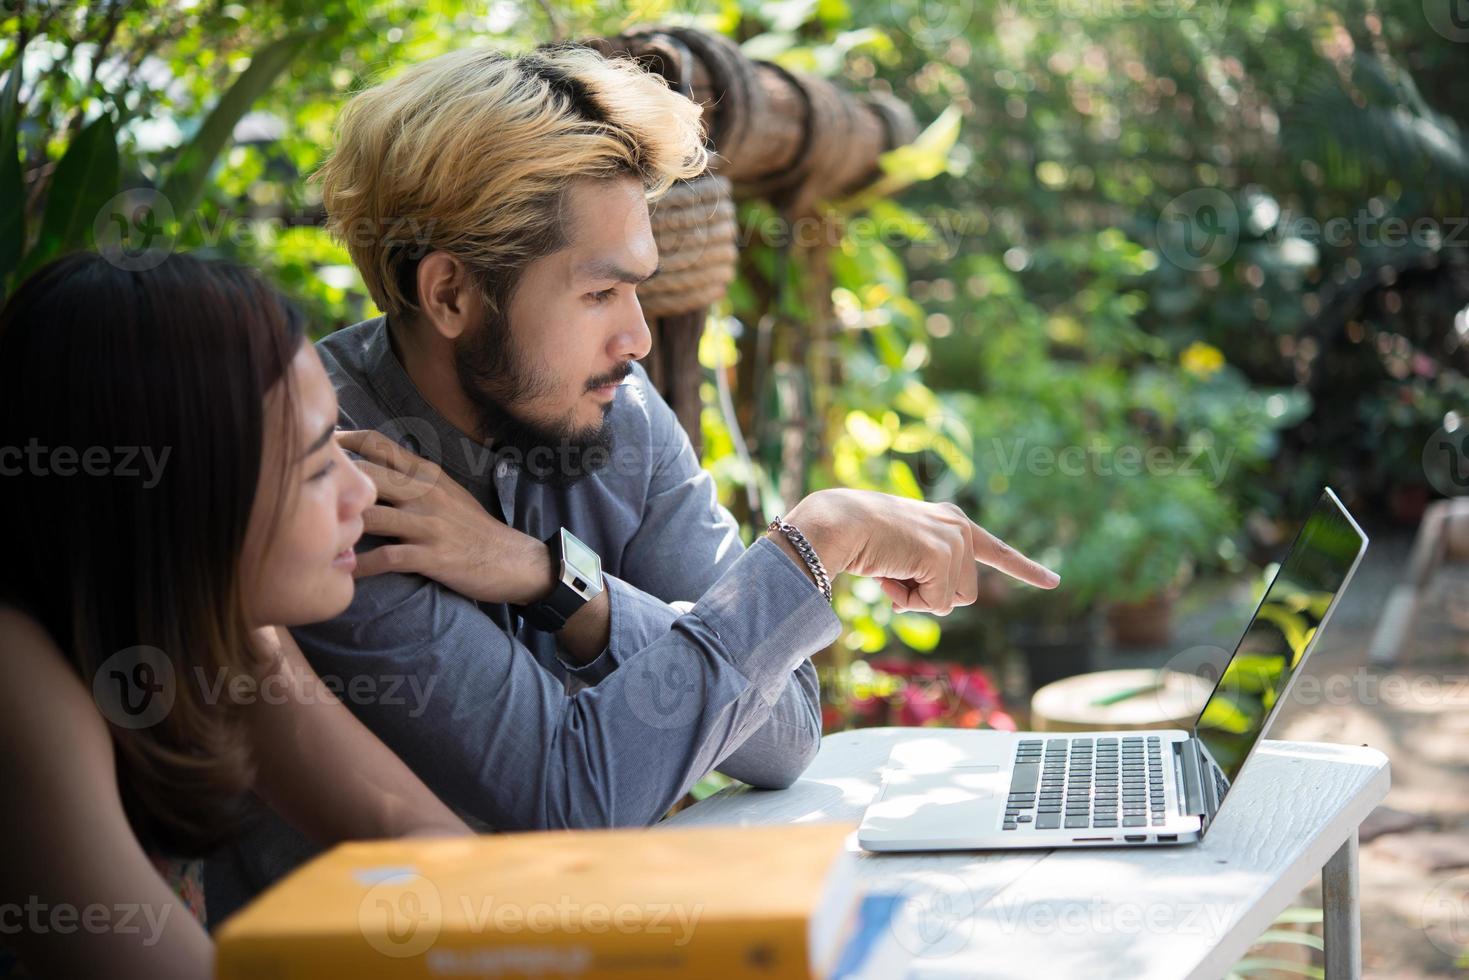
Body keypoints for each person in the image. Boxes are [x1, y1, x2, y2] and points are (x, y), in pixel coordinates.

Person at [215, 42, 1060, 911]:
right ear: (452, 297)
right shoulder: (337, 478)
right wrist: (821, 542)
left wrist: (552, 578)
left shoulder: (616, 411)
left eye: (638, 291)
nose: (638, 339)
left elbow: (785, 734)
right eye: (596, 295)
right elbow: (574, 795)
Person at [0, 253, 470, 980]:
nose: (360, 494)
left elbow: (407, 831)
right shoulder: (17, 674)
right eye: (316, 468)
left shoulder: (215, 624)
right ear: (178, 502)